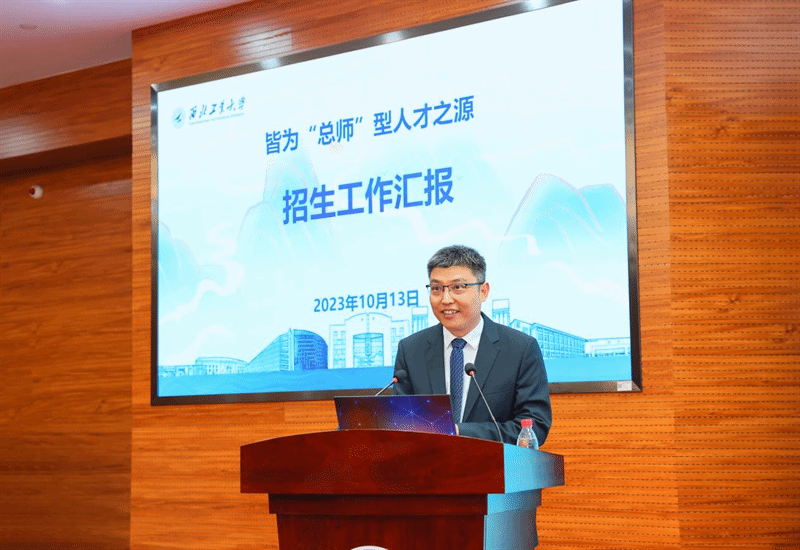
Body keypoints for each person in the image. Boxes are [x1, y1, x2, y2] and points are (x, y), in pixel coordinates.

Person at [393, 245, 552, 445]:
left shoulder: (520, 349)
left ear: (483, 291)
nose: (446, 299)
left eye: (458, 287)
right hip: (429, 463)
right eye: (437, 289)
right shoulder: (411, 350)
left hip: (494, 464)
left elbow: (534, 427)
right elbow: (400, 423)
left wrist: (459, 432)